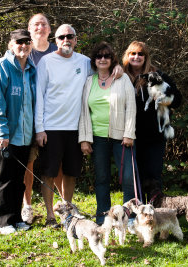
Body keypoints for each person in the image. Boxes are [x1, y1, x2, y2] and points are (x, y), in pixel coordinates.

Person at [35, 24, 123, 228]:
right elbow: (38, 95)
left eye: (70, 36)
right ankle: (50, 216)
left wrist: (117, 68)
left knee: (71, 172)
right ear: (55, 40)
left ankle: (68, 212)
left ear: (75, 39)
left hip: (76, 128)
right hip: (51, 127)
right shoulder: (46, 62)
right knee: (49, 172)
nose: (66, 40)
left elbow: (104, 69)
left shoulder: (84, 62)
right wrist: (39, 128)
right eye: (61, 37)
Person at [0, 29, 35, 234]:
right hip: (2, 135)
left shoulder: (31, 69)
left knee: (18, 178)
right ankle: (3, 221)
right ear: (10, 45)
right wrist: (2, 133)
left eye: (27, 42)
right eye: (19, 42)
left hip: (24, 135)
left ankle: (16, 218)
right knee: (4, 178)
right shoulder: (1, 68)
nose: (23, 45)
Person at [78, 42, 136, 225]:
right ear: (94, 61)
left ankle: (130, 218)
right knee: (102, 179)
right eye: (99, 56)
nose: (103, 59)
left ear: (112, 60)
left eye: (107, 56)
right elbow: (83, 112)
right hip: (98, 138)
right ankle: (103, 218)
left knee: (128, 178)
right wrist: (85, 139)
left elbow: (131, 108)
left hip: (121, 138)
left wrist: (129, 133)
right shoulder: (89, 81)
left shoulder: (123, 78)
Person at [122, 41, 182, 203]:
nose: (136, 57)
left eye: (141, 54)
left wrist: (164, 99)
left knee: (153, 176)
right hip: (130, 135)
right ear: (127, 56)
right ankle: (140, 214)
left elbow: (177, 99)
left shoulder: (158, 76)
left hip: (155, 135)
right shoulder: (120, 76)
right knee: (135, 177)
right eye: (133, 53)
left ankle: (156, 213)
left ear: (146, 57)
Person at [21, 13, 62, 225]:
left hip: (55, 116)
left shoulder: (58, 50)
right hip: (28, 116)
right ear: (29, 29)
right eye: (35, 24)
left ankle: (63, 204)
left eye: (44, 23)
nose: (40, 27)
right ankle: (27, 206)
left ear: (49, 29)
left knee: (58, 164)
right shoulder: (23, 51)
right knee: (29, 162)